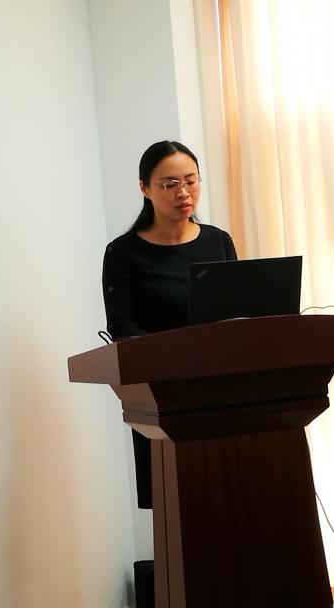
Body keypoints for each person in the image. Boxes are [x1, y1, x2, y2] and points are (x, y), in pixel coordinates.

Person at [102, 140, 238, 508]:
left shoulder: (218, 242)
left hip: (225, 395)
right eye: (169, 184)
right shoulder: (123, 253)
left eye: (191, 181)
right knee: (177, 509)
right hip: (163, 400)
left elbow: (237, 314)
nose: (183, 192)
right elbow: (123, 327)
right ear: (145, 188)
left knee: (233, 499)